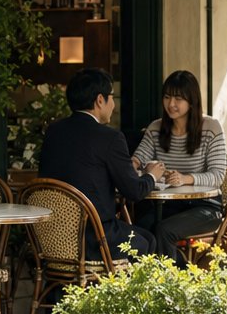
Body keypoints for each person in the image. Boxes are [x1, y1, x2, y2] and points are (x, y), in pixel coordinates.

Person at [39, 68, 164, 258]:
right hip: (94, 237)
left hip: (53, 237)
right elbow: (134, 191)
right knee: (147, 241)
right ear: (100, 100)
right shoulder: (110, 138)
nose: (113, 104)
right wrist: (152, 175)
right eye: (112, 97)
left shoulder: (53, 132)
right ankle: (122, 288)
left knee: (143, 236)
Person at [132, 70, 227, 262]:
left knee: (164, 229)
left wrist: (186, 178)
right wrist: (135, 167)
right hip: (167, 206)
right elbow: (137, 159)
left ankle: (171, 284)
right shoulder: (156, 128)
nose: (171, 104)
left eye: (178, 98)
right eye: (167, 97)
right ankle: (149, 282)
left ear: (191, 101)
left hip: (205, 207)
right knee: (138, 230)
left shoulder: (211, 128)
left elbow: (218, 175)